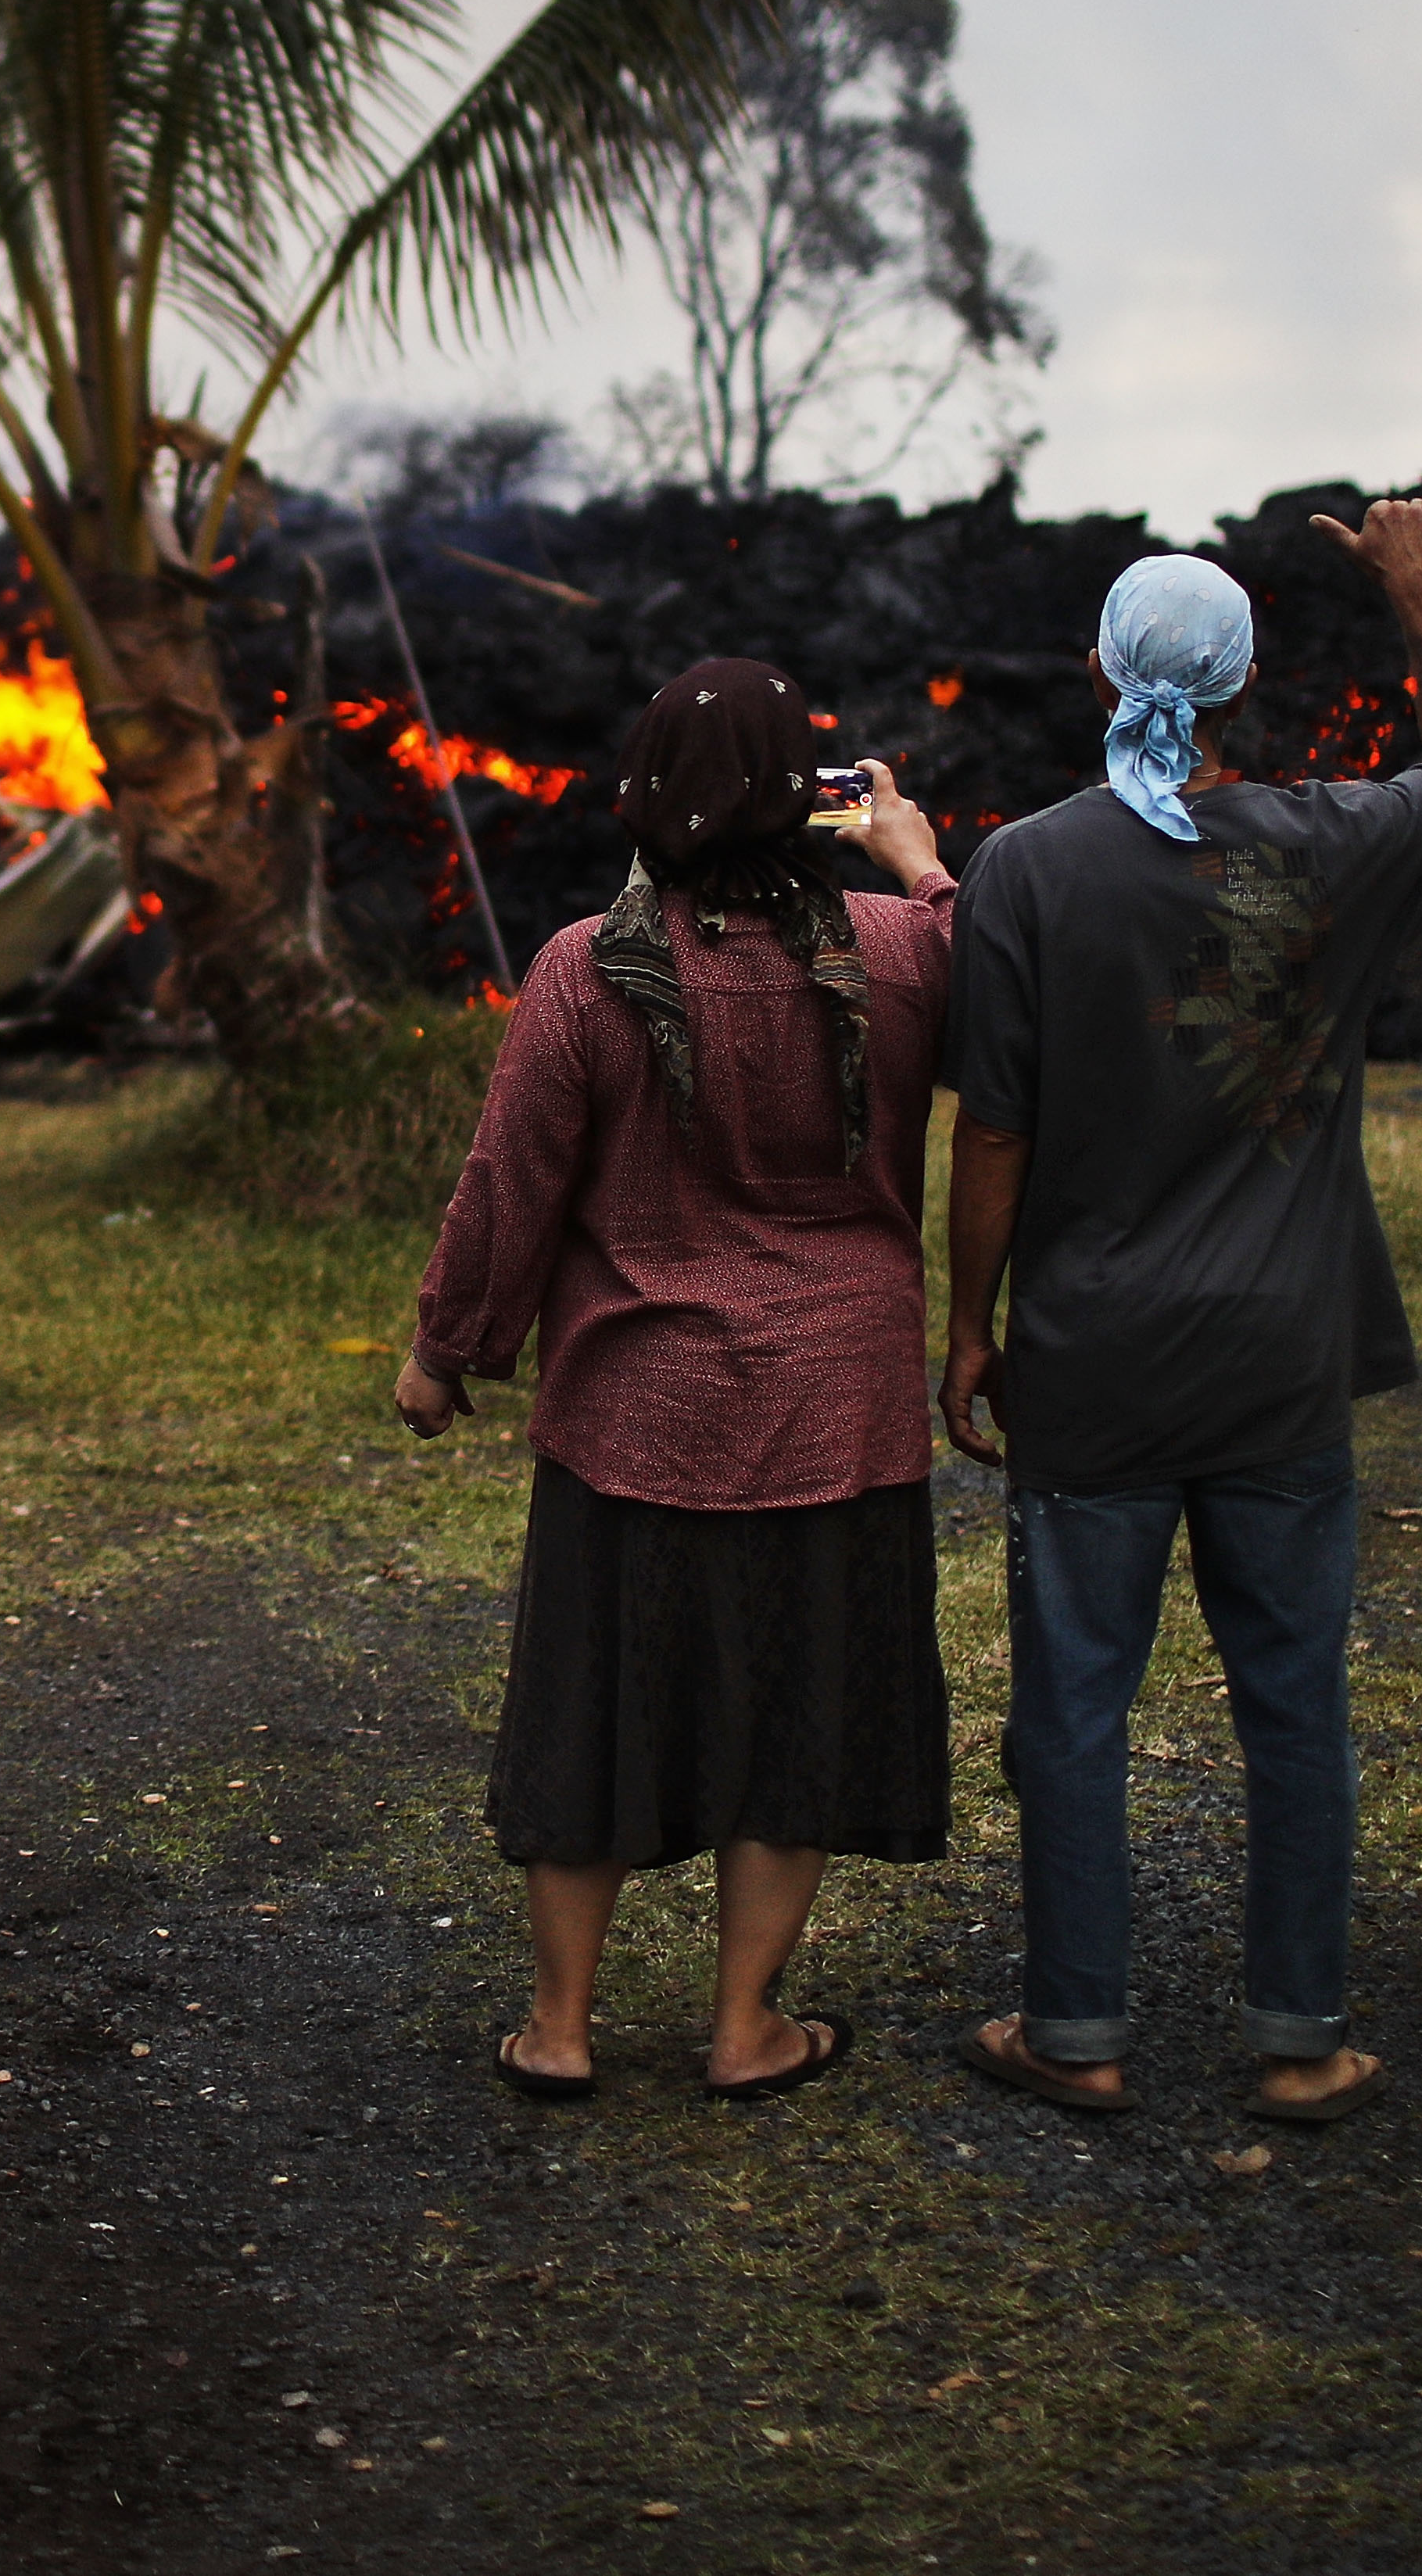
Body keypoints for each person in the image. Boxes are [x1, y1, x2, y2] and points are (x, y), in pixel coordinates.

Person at [937, 482, 1422, 2126]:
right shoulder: (1333, 843)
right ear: (1242, 688)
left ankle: (1079, 2034)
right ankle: (1301, 2040)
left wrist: (970, 1327)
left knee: (1073, 1705)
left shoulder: (1023, 870)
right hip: (1275, 1364)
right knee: (1291, 1707)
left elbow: (992, 1128)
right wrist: (1415, 588)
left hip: (1092, 1362)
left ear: (1101, 675)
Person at [396, 657, 964, 2102]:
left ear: (643, 790)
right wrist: (928, 866)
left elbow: (509, 1185)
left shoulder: (585, 967)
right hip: (838, 1416)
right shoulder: (905, 953)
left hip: (631, 1422)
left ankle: (563, 2028)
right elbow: (1018, 1015)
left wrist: (446, 1351)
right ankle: (745, 2029)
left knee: (594, 1718)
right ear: (806, 800)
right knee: (796, 1724)